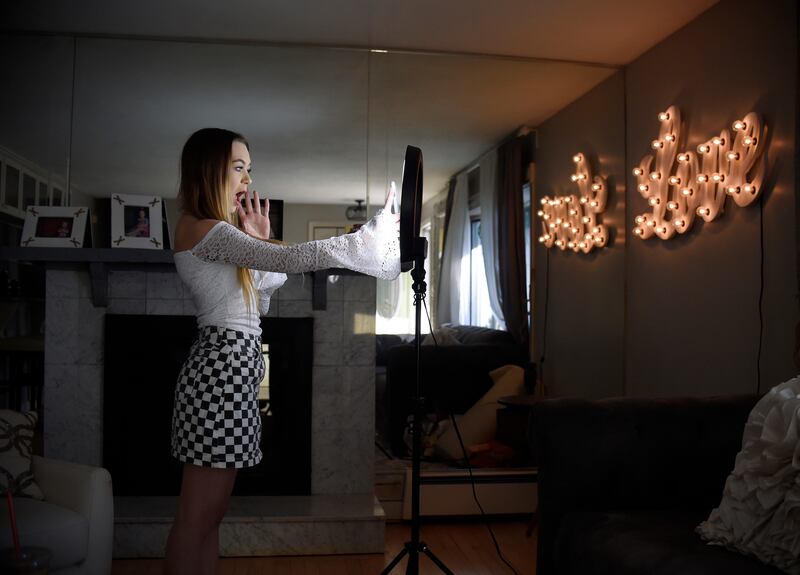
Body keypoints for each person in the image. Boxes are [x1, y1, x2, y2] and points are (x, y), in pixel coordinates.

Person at [165, 128, 399, 574]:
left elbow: (262, 298)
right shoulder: (204, 228)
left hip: (232, 372)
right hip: (219, 373)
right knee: (195, 518)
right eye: (238, 168)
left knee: (210, 517)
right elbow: (289, 261)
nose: (247, 179)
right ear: (209, 169)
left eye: (249, 169)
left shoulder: (222, 233)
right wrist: (364, 239)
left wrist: (259, 238)